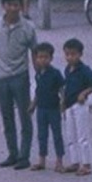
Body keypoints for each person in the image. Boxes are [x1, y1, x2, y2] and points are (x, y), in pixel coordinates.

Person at [0, 0, 37, 170]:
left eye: (17, 5)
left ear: (21, 6)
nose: (14, 9)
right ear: (4, 6)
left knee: (25, 117)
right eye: (10, 5)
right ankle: (12, 153)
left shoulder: (28, 28)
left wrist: (38, 77)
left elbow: (35, 52)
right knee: (6, 117)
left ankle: (24, 155)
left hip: (20, 77)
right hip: (1, 77)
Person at [60, 37, 92, 176]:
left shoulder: (84, 70)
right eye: (67, 54)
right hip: (69, 105)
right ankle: (75, 162)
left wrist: (84, 92)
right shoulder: (67, 69)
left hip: (79, 104)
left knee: (82, 135)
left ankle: (86, 164)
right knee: (71, 135)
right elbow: (65, 87)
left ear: (80, 54)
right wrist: (63, 102)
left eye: (73, 54)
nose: (70, 57)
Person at [28, 42, 66, 172]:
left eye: (45, 57)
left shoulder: (55, 73)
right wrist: (33, 104)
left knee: (57, 135)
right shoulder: (38, 74)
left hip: (53, 108)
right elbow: (39, 91)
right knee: (42, 135)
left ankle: (59, 161)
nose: (42, 60)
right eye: (39, 57)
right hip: (41, 109)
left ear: (51, 58)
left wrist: (63, 103)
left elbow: (62, 89)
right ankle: (41, 161)